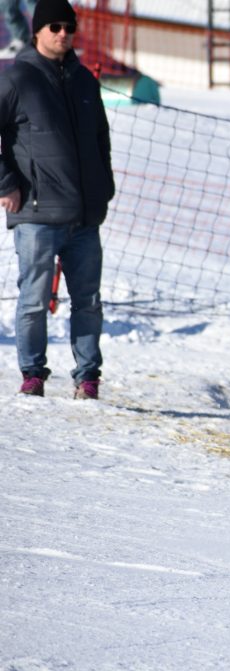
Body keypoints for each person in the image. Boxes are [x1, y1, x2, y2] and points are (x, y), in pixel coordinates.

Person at [0, 0, 114, 399]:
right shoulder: (17, 80)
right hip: (35, 212)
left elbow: (101, 139)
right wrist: (5, 184)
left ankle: (88, 377)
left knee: (89, 302)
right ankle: (32, 374)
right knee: (33, 301)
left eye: (69, 27)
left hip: (84, 216)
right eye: (55, 27)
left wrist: (104, 188)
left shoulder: (84, 80)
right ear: (37, 31)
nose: (63, 34)